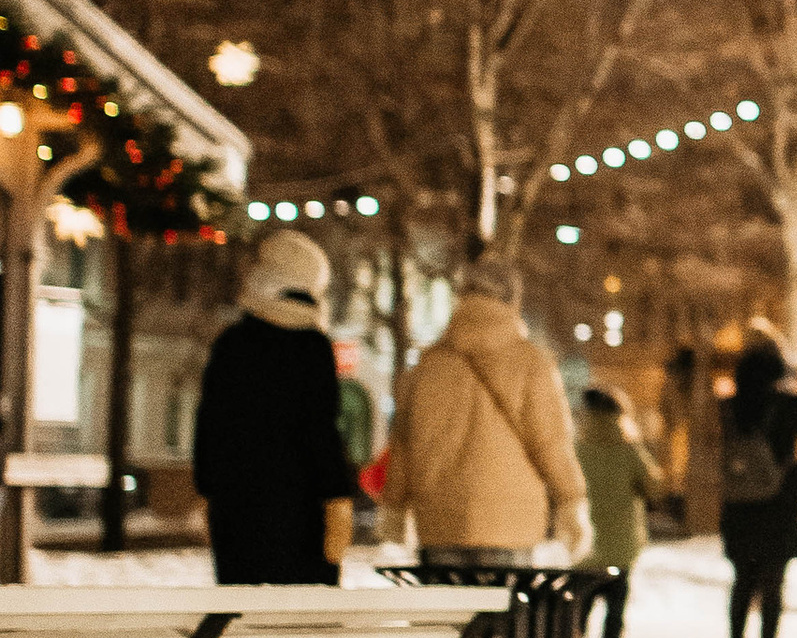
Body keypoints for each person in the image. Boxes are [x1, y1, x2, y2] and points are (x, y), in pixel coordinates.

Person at [382, 264, 590, 572]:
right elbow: (551, 443)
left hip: (439, 526)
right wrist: (572, 502)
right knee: (501, 618)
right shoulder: (532, 364)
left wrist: (394, 508)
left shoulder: (427, 368)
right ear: (513, 301)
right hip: (510, 527)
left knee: (447, 619)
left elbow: (403, 449)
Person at [192, 226, 358, 584]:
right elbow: (320, 429)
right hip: (300, 509)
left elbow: (209, 426)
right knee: (299, 621)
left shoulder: (232, 345)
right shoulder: (311, 348)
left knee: (243, 616)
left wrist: (209, 490)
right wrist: (337, 496)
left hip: (235, 508)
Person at [721, 323, 797, 638]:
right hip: (777, 502)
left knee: (742, 581)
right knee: (772, 583)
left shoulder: (731, 405)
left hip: (739, 502)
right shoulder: (787, 402)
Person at [575, 385, 660, 638]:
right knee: (616, 601)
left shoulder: (577, 450)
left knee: (581, 598)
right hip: (622, 538)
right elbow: (654, 487)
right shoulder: (629, 450)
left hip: (586, 537)